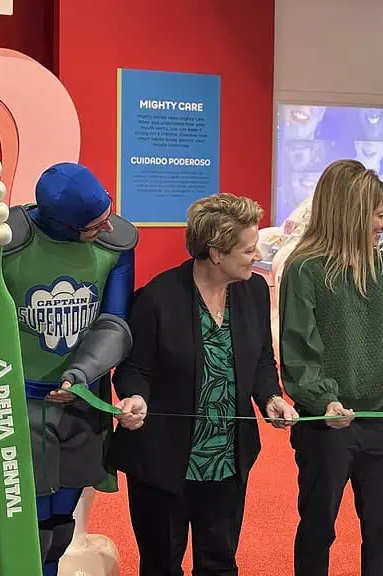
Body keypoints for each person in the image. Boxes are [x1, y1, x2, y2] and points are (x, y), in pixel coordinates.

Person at [0, 162, 147, 576]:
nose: (107, 227)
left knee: (61, 522)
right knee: (27, 523)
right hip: (20, 404)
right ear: (61, 222)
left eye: (108, 213)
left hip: (83, 399)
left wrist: (82, 372)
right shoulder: (4, 242)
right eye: (93, 225)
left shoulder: (115, 245)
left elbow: (115, 323)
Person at [108, 193, 298, 576]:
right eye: (248, 249)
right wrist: (135, 397)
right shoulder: (157, 298)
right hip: (162, 464)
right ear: (216, 252)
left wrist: (270, 397)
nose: (257, 255)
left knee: (220, 565)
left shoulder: (254, 291)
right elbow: (133, 370)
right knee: (161, 566)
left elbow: (262, 358)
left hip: (227, 462)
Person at [280, 159, 383, 575]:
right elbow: (299, 349)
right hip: (325, 424)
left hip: (378, 418)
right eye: (379, 214)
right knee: (318, 529)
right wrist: (323, 400)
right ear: (350, 213)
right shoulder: (305, 270)